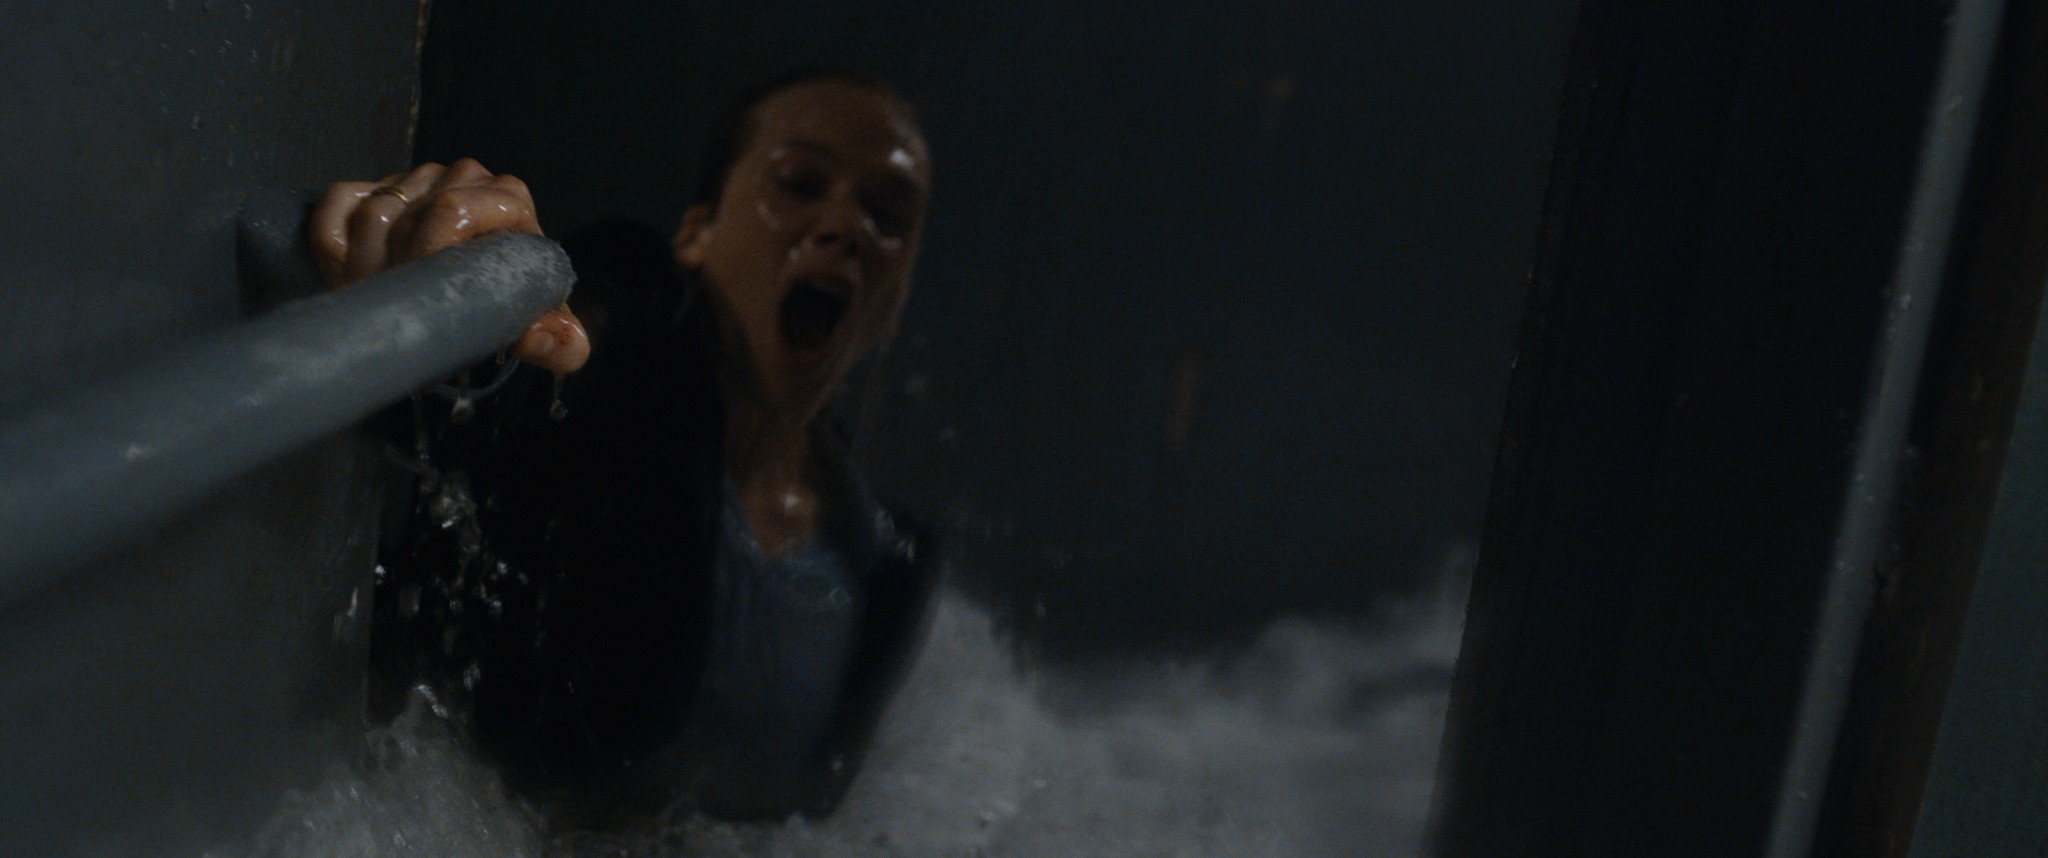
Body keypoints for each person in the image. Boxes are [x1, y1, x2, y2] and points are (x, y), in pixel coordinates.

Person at [310, 69, 941, 825]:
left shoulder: (890, 569)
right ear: (696, 234)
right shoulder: (629, 354)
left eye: (886, 214)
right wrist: (461, 292)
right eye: (800, 184)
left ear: (897, 301)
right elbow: (544, 368)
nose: (843, 226)